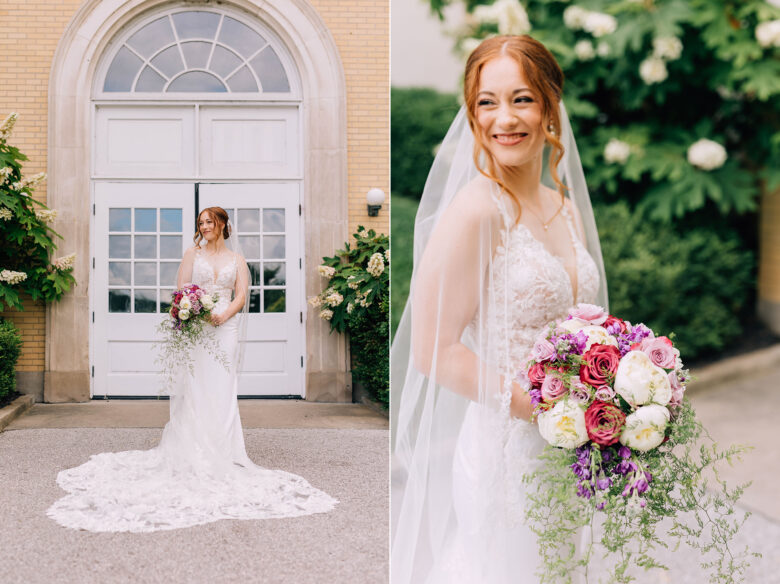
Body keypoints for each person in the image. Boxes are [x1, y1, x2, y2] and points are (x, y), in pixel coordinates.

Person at [390, 35, 608, 583]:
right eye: (487, 102)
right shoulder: (476, 212)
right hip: (509, 455)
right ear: (471, 113)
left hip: (571, 448)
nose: (503, 118)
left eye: (522, 99)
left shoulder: (562, 206)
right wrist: (549, 413)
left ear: (550, 108)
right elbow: (434, 351)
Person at [47, 206, 336, 533]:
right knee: (197, 388)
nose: (205, 227)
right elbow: (181, 290)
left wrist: (224, 315)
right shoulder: (192, 254)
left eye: (210, 222)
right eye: (201, 223)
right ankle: (194, 450)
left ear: (223, 224)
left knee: (223, 387)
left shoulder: (237, 260)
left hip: (225, 329)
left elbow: (241, 294)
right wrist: (190, 312)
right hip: (198, 328)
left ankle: (224, 452)